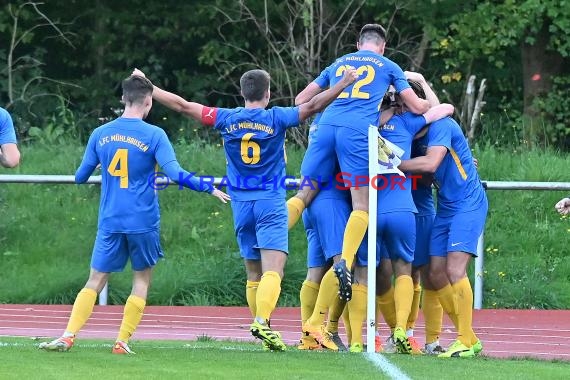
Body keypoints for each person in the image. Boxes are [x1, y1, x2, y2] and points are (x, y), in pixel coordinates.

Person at [132, 67, 358, 351]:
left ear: (242, 93)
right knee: (274, 270)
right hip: (270, 203)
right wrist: (344, 83)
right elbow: (313, 105)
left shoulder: (226, 118)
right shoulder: (276, 117)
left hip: (240, 205)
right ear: (268, 94)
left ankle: (264, 336)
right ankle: (262, 322)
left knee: (253, 274)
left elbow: (182, 105)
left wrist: (150, 87)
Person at [39, 74, 230, 354]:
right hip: (143, 220)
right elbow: (174, 173)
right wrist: (207, 187)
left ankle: (68, 336)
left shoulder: (100, 134)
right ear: (149, 101)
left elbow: (81, 177)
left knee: (94, 280)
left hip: (111, 219)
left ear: (123, 99)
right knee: (140, 280)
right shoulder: (155, 135)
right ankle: (121, 341)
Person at [287, 24, 430, 305]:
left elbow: (301, 100)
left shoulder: (338, 63)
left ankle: (277, 232)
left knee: (304, 194)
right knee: (361, 203)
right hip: (357, 132)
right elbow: (418, 107)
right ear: (383, 46)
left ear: (357, 44)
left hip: (326, 125)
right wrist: (411, 91)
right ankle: (346, 259)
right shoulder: (389, 65)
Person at [348, 77, 453, 354]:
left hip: (371, 207)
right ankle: (400, 332)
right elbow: (443, 109)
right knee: (401, 271)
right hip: (401, 206)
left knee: (364, 274)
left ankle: (361, 340)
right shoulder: (408, 123)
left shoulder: (363, 124)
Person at [399, 114, 488, 358]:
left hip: (468, 204)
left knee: (455, 270)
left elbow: (429, 164)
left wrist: (390, 163)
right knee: (435, 272)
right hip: (446, 206)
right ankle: (468, 337)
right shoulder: (411, 136)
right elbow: (428, 173)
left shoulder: (442, 125)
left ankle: (464, 339)